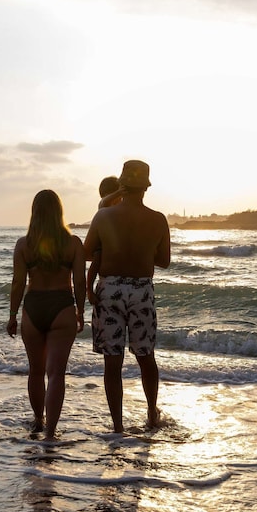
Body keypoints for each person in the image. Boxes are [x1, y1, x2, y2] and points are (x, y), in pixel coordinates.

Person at [83, 160, 171, 433]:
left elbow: (87, 253)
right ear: (146, 187)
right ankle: (151, 413)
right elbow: (164, 261)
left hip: (110, 290)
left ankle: (118, 426)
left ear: (121, 185)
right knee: (146, 356)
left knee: (113, 361)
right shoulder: (158, 219)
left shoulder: (103, 217)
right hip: (142, 291)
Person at [7, 190, 85, 438]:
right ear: (59, 212)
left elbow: (18, 283)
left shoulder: (23, 245)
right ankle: (51, 433)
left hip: (33, 308)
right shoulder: (73, 244)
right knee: (56, 373)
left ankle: (38, 420)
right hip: (62, 307)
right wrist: (80, 310)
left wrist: (12, 315)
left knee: (36, 371)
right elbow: (80, 281)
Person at [86, 175, 125, 306]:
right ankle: (89, 290)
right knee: (97, 258)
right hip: (103, 250)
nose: (114, 202)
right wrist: (120, 191)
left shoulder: (125, 210)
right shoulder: (104, 211)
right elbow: (103, 203)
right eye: (111, 198)